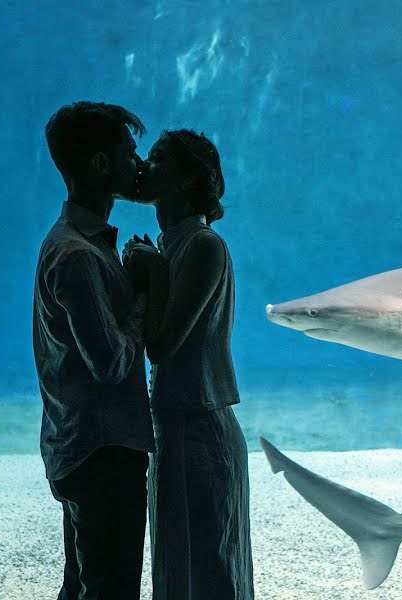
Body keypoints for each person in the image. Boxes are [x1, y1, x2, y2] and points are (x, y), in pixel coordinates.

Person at [125, 129, 254, 599]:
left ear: (184, 179)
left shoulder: (202, 246)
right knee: (179, 567)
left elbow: (162, 345)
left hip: (200, 428)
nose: (144, 165)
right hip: (175, 429)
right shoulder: (170, 246)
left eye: (157, 159)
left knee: (209, 569)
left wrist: (153, 271)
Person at [33, 101, 154, 599]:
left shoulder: (72, 243)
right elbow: (110, 363)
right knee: (110, 590)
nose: (139, 164)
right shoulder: (79, 257)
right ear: (102, 164)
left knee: (83, 585)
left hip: (76, 444)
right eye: (128, 153)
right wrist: (145, 293)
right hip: (103, 451)